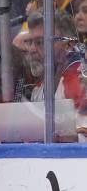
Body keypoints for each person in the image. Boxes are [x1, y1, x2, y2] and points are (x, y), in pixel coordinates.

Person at [27, 9, 87, 141]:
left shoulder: (79, 80)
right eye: (29, 42)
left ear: (69, 45)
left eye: (40, 42)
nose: (31, 50)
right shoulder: (42, 82)